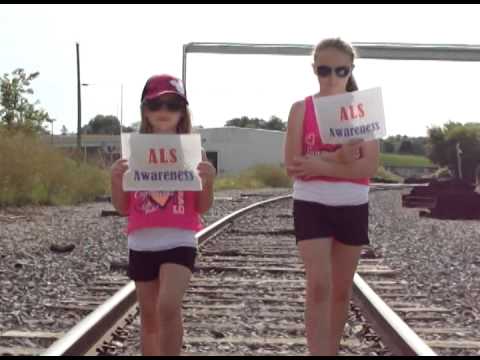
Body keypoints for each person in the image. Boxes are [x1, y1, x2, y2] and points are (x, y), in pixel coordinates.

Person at [284, 38, 380, 355]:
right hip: (311, 202)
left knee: (340, 291)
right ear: (314, 69)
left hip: (353, 205)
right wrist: (339, 161)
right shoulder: (301, 109)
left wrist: (325, 163)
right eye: (324, 70)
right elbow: (293, 166)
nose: (332, 77)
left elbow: (368, 166)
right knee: (320, 285)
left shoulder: (361, 111)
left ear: (350, 70)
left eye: (340, 70)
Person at [110, 74, 216, 356]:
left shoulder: (194, 151)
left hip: (180, 239)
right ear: (145, 110)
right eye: (156, 105)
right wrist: (115, 178)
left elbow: (203, 207)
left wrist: (209, 181)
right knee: (149, 317)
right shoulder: (134, 151)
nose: (164, 112)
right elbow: (122, 208)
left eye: (172, 104)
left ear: (183, 111)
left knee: (167, 306)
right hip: (141, 241)